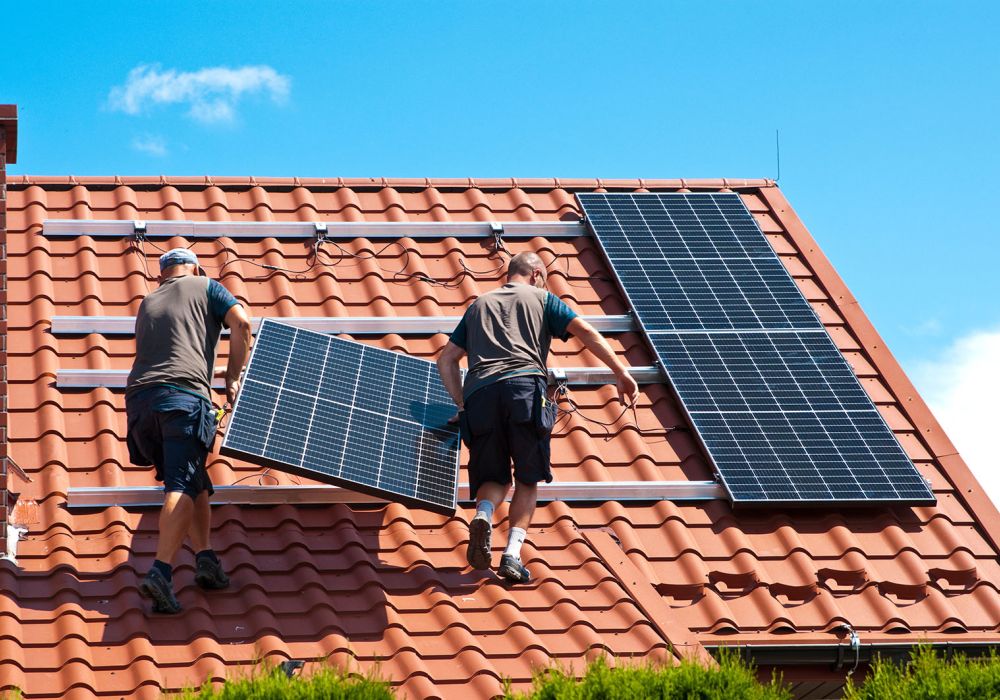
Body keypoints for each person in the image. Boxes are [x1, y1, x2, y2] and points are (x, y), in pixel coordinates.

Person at [436, 252, 638, 584]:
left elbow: (447, 361)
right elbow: (585, 331)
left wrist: (462, 405)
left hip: (481, 395)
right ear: (536, 274)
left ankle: (484, 515)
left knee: (494, 477)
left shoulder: (477, 306)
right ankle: (512, 556)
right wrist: (620, 371)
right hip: (524, 389)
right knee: (528, 477)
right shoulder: (543, 298)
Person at [125, 248, 252, 613]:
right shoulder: (207, 285)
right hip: (182, 398)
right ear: (195, 268)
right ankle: (162, 572)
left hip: (140, 406)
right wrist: (231, 378)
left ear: (161, 275)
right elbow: (242, 324)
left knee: (194, 477)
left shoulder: (148, 301)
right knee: (180, 483)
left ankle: (206, 559)